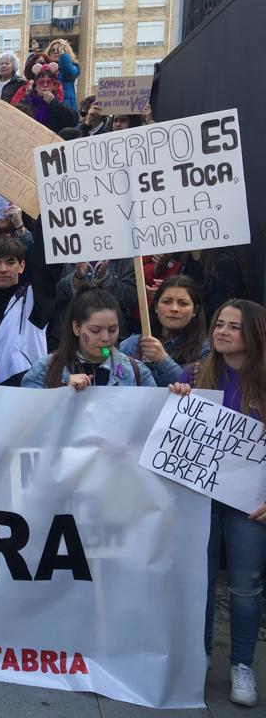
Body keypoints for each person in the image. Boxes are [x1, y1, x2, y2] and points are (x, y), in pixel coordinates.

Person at [168, 300, 266, 707]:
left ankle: (242, 665)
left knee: (245, 588)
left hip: (249, 504)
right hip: (201, 496)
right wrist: (177, 396)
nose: (223, 332)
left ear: (255, 334)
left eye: (234, 327)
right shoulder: (196, 372)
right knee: (201, 582)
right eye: (219, 324)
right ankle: (201, 655)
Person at [22, 285, 155, 388]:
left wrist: (174, 394)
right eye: (95, 330)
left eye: (113, 330)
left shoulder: (137, 371)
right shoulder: (44, 370)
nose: (106, 338)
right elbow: (28, 417)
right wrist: (62, 393)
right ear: (77, 328)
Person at [0, 236, 51, 385]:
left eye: (10, 262)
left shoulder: (33, 301)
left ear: (21, 266)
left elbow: (47, 270)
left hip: (25, 395)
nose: (3, 269)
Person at [119, 275, 208, 386]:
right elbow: (115, 377)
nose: (174, 309)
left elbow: (198, 390)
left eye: (183, 303)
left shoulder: (206, 351)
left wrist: (163, 360)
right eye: (167, 302)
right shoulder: (131, 344)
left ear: (195, 310)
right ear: (156, 306)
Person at [10, 63, 77, 132]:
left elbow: (74, 121)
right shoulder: (26, 103)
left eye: (49, 82)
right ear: (35, 87)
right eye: (41, 82)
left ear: (54, 86)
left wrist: (53, 103)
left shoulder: (59, 102)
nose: (45, 85)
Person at [47, 39, 80, 111]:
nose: (56, 52)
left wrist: (62, 55)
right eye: (53, 50)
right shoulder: (46, 69)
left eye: (58, 50)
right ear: (49, 54)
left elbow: (69, 72)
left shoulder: (73, 67)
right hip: (49, 108)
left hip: (66, 109)